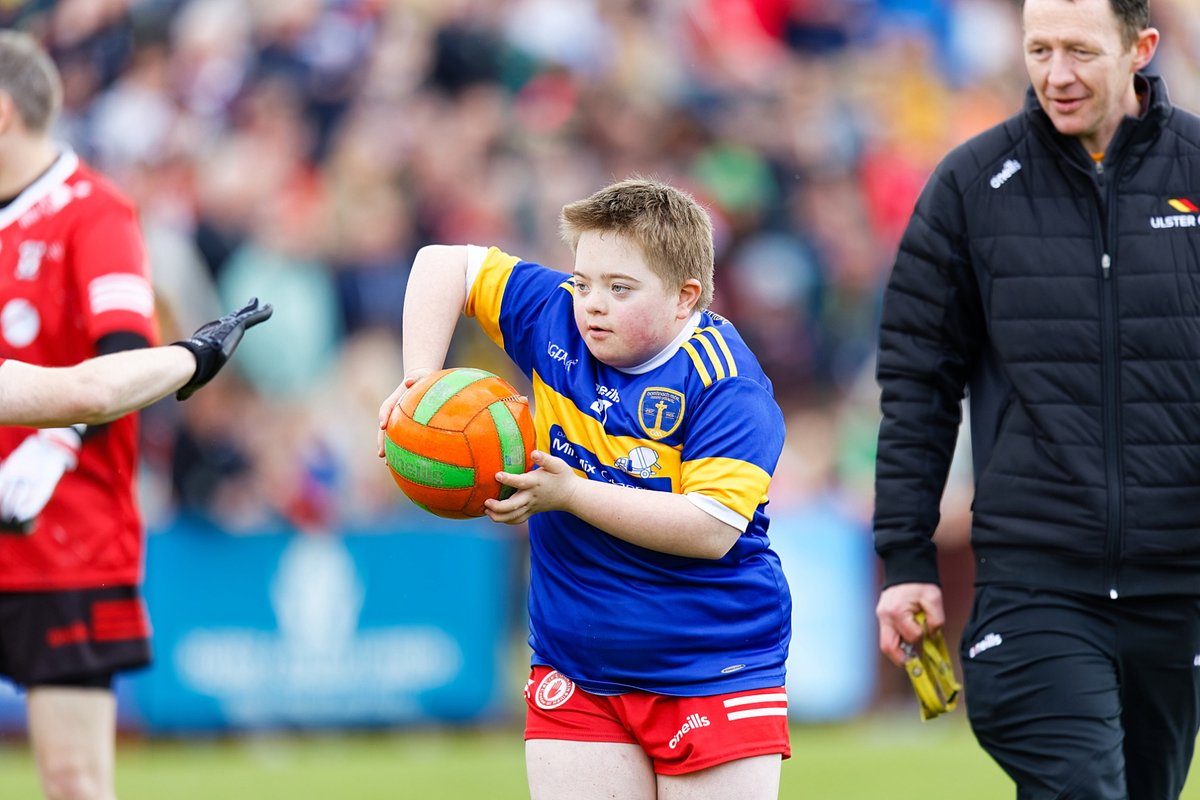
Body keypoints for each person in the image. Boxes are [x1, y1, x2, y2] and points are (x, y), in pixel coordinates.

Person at [873, 0, 1200, 796]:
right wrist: (907, 560)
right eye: (1039, 49)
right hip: (1035, 584)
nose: (1056, 75)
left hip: (1176, 586)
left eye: (1081, 52)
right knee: (1083, 788)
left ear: (1140, 48)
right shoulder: (969, 186)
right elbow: (917, 382)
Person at [378, 177, 792, 799]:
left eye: (619, 289)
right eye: (582, 281)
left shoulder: (727, 385)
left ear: (686, 298)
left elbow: (710, 529)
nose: (590, 304)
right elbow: (443, 265)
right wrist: (419, 388)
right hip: (576, 662)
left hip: (712, 662)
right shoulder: (557, 317)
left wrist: (571, 495)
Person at [0, 31, 269, 800]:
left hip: (64, 535)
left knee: (74, 781)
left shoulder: (94, 212)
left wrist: (49, 448)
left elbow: (120, 361)